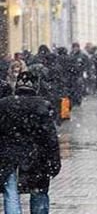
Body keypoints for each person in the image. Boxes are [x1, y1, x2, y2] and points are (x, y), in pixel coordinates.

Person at [0, 71, 60, 214]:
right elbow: (50, 137)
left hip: (9, 157)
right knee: (39, 191)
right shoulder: (42, 106)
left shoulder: (4, 104)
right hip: (37, 157)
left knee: (11, 193)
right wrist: (54, 161)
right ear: (36, 86)